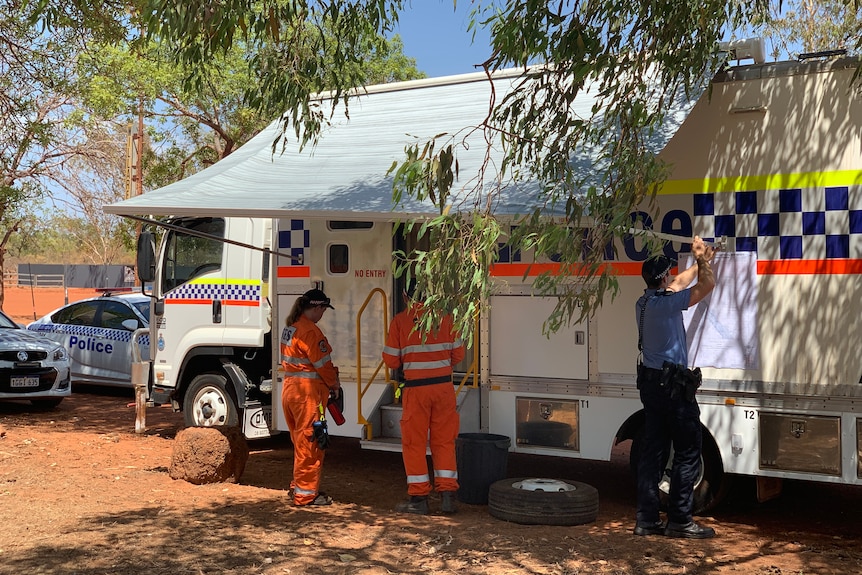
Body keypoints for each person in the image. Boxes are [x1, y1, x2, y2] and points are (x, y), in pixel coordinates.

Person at [633, 236, 717, 539]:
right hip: (672, 389)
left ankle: (646, 520)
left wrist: (698, 261)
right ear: (662, 278)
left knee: (654, 453)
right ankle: (681, 519)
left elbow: (679, 283)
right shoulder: (667, 305)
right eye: (669, 272)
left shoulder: (644, 302)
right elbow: (706, 287)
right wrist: (704, 261)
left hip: (652, 386)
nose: (672, 275)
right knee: (687, 451)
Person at [382, 284, 465, 515]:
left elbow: (391, 361)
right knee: (444, 442)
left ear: (405, 295)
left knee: (414, 443)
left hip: (416, 391)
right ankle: (448, 496)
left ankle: (419, 500)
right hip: (444, 389)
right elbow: (458, 354)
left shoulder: (401, 320)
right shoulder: (447, 318)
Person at [280, 288, 341, 506]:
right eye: (323, 309)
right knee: (311, 443)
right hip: (307, 393)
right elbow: (323, 365)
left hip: (290, 390)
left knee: (300, 441)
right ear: (316, 307)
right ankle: (305, 495)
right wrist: (334, 384)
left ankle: (298, 486)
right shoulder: (311, 332)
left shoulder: (290, 328)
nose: (323, 314)